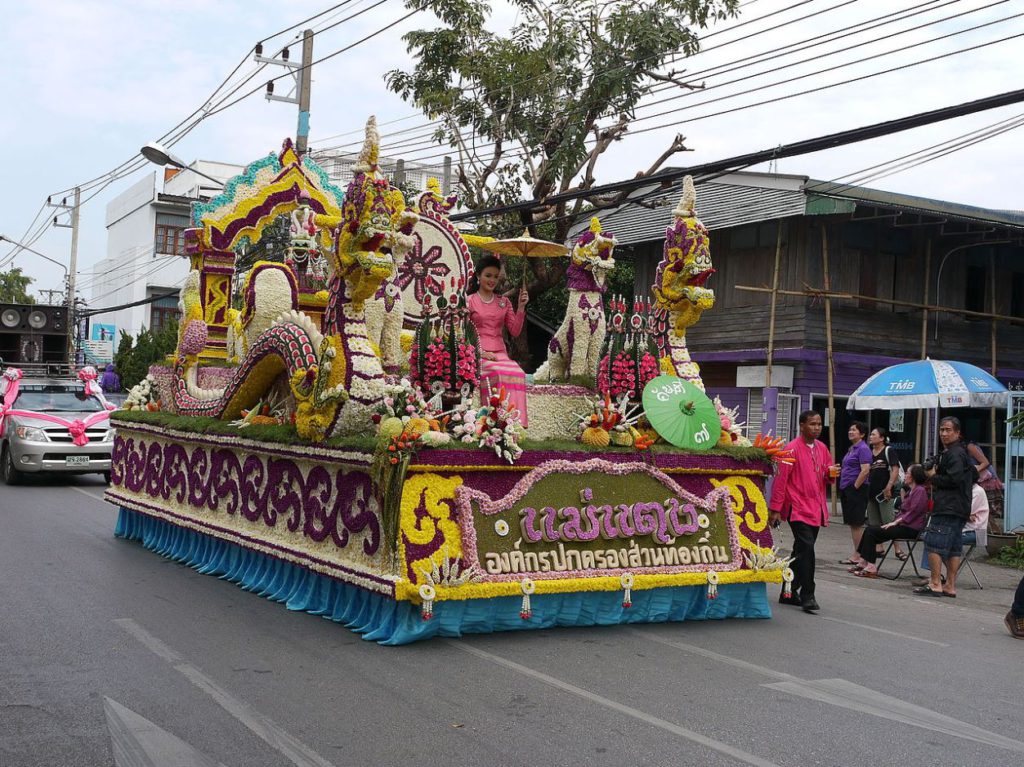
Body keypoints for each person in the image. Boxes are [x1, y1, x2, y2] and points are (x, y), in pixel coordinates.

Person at [769, 410, 833, 613]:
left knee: (801, 551)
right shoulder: (790, 449)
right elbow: (780, 481)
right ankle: (808, 595)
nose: (817, 427)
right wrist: (775, 509)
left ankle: (788, 591)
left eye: (819, 424)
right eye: (813, 424)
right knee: (808, 550)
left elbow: (826, 473)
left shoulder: (822, 448)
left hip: (816, 507)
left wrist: (831, 474)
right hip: (797, 507)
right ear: (802, 425)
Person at [467, 255, 530, 427]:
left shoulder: (504, 302)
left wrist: (521, 307)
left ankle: (516, 425)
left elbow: (515, 331)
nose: (492, 280)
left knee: (517, 372)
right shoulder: (469, 301)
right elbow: (463, 335)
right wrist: (480, 352)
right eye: (488, 275)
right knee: (498, 372)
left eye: (496, 276)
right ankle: (494, 422)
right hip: (478, 354)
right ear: (478, 276)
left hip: (500, 353)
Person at [914, 416, 972, 598]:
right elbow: (974, 475)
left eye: (948, 430)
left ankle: (936, 583)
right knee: (954, 547)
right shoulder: (960, 453)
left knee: (934, 544)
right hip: (960, 507)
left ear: (957, 433)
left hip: (948, 506)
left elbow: (953, 479)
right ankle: (950, 585)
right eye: (941, 430)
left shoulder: (955, 454)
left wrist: (932, 475)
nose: (944, 433)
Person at [914, 465, 989, 593]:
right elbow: (966, 514)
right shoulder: (966, 490)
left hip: (975, 532)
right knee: (932, 536)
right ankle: (936, 576)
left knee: (934, 537)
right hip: (962, 527)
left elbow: (964, 512)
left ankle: (936, 578)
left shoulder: (977, 491)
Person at [848, 464, 929, 577]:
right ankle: (863, 561)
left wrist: (895, 522)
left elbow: (913, 512)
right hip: (904, 525)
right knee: (869, 530)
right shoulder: (911, 490)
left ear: (914, 476)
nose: (905, 475)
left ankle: (871, 566)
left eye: (907, 473)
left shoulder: (920, 491)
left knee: (872, 532)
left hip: (911, 528)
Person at [865, 426, 905, 559]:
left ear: (881, 438)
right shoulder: (869, 453)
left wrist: (889, 487)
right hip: (871, 493)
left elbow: (895, 469)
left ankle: (898, 549)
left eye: (874, 435)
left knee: (889, 521)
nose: (871, 437)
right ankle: (879, 547)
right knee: (874, 523)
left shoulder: (888, 451)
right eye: (870, 435)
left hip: (885, 494)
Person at [837, 421, 871, 565]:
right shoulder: (852, 448)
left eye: (854, 430)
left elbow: (865, 470)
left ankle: (859, 555)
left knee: (857, 523)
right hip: (847, 487)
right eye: (850, 429)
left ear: (862, 434)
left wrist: (855, 486)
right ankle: (857, 553)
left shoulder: (863, 448)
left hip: (856, 489)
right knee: (853, 523)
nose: (851, 432)